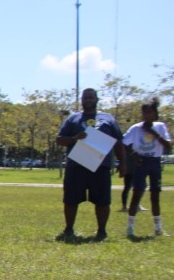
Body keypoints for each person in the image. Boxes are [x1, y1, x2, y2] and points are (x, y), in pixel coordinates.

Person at [55, 88, 125, 241]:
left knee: (103, 201)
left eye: (91, 97)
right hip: (76, 166)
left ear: (97, 99)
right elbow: (59, 139)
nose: (88, 100)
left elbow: (118, 142)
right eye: (85, 98)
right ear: (81, 100)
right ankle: (68, 229)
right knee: (71, 200)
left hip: (100, 167)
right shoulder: (73, 118)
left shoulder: (107, 118)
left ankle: (101, 232)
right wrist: (75, 138)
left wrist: (122, 162)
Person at [123, 97, 171, 237]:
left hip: (155, 162)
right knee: (137, 194)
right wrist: (134, 155)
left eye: (150, 112)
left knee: (155, 196)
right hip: (141, 163)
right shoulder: (136, 128)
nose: (147, 115)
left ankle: (158, 228)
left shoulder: (160, 126)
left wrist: (153, 133)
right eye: (144, 112)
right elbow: (124, 143)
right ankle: (130, 227)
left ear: (155, 113)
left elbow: (168, 145)